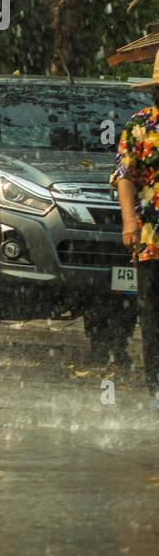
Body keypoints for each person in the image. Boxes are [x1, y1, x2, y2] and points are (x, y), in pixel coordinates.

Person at [112, 50, 159, 408]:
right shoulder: (140, 124)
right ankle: (156, 388)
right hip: (152, 239)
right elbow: (125, 176)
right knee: (153, 314)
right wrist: (129, 220)